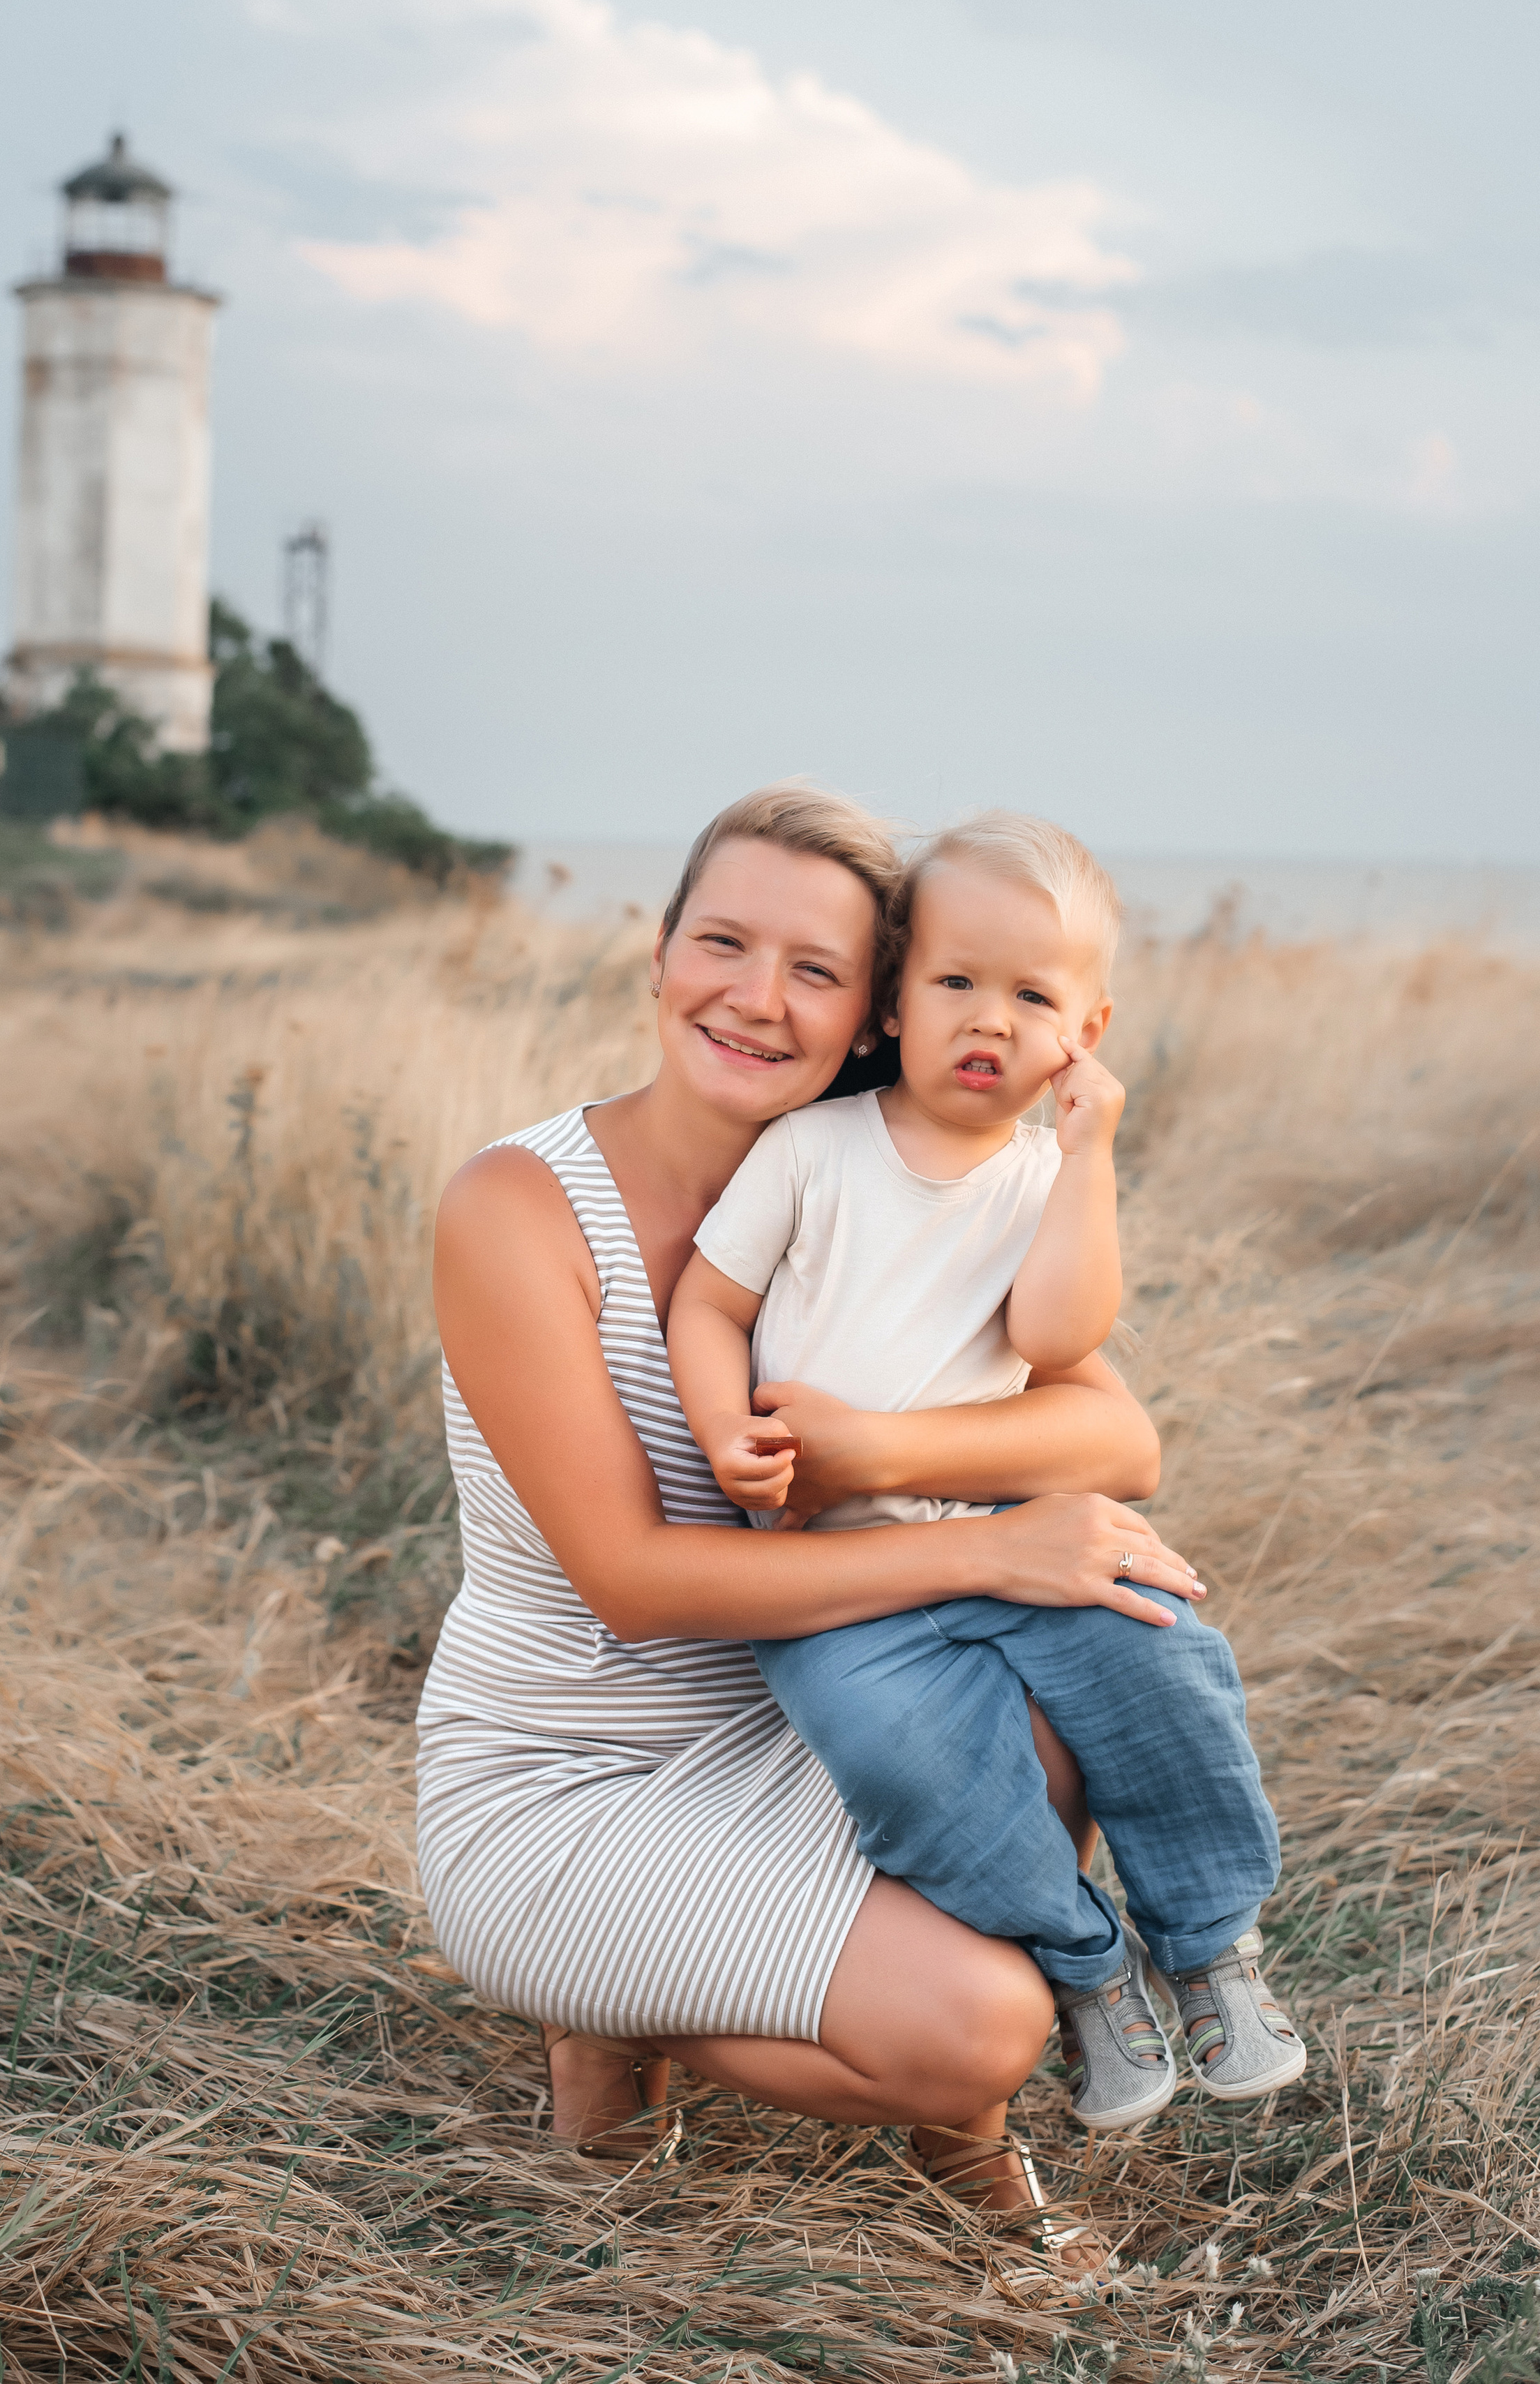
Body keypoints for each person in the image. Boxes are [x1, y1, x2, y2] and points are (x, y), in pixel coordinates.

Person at [419, 784, 1196, 2268]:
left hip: (802, 1736)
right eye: (721, 941)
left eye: (817, 972)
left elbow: (1117, 1436)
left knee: (1079, 1654)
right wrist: (983, 1540)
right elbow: (635, 1586)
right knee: (985, 2025)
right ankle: (599, 2012)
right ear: (657, 956)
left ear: (874, 1018)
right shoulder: (520, 1209)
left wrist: (886, 1451)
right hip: (567, 1778)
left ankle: (953, 2153)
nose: (755, 1000)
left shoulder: (884, 1177)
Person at [667, 812, 1305, 2134]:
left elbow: (1060, 1337)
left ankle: (1210, 1945)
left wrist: (1090, 1157)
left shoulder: (1041, 1179)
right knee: (915, 1761)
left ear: (1089, 1027)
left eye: (1033, 996)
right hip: (833, 1574)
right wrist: (727, 1428)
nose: (989, 1018)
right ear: (895, 996)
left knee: (1163, 1661)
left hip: (1011, 1528)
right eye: (956, 980)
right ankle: (1086, 1963)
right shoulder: (814, 1152)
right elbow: (710, 1305)